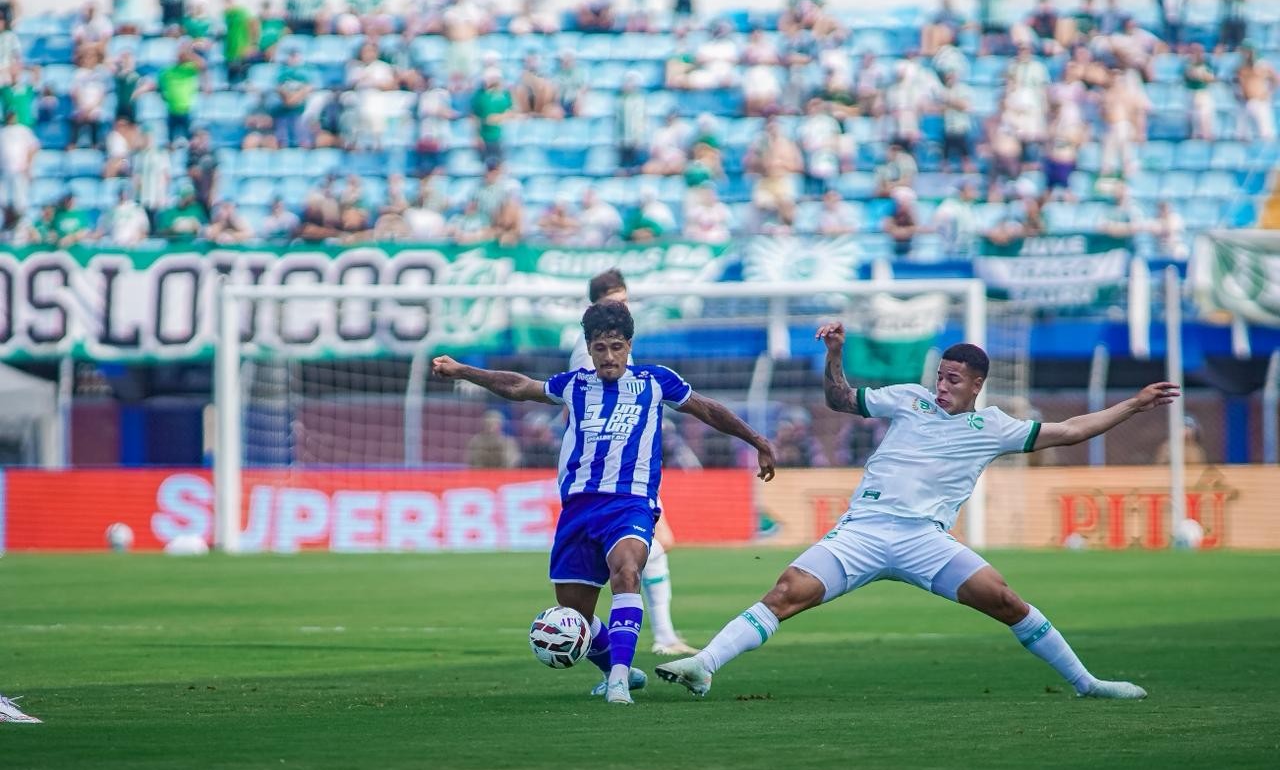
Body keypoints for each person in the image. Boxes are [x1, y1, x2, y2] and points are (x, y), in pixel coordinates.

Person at [657, 324, 1179, 701]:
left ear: (977, 385)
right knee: (786, 591)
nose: (943, 387)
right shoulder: (909, 399)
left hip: (924, 541)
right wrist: (834, 354)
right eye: (941, 377)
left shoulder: (995, 427)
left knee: (1005, 599)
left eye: (954, 380)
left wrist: (1133, 404)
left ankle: (1087, 684)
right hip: (862, 531)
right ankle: (705, 664)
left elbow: (1074, 430)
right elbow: (840, 400)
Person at [432, 301, 776, 705]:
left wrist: (757, 440)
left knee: (627, 571)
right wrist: (462, 370)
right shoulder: (574, 384)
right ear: (589, 348)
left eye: (616, 346)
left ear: (629, 346)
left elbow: (708, 410)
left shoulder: (656, 381)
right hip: (579, 509)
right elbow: (517, 386)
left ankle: (615, 681)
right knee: (576, 612)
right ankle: (621, 670)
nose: (608, 356)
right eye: (599, 348)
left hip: (630, 503)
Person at [568, 269, 700, 657]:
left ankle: (655, 640)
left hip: (631, 470)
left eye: (626, 300)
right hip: (608, 475)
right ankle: (653, 641)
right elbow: (582, 408)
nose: (624, 307)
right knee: (647, 553)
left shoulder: (617, 345)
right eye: (615, 301)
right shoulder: (588, 351)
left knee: (657, 549)